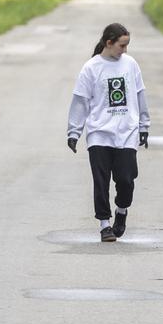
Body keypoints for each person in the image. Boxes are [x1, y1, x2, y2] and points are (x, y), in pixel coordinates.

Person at [66, 22, 150, 243]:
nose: (125, 50)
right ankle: (104, 224)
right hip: (99, 133)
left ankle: (121, 211)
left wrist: (144, 126)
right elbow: (80, 101)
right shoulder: (91, 68)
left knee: (126, 179)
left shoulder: (130, 64)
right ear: (108, 43)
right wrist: (74, 132)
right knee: (101, 181)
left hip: (127, 132)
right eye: (122, 45)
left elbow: (140, 94)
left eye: (127, 45)